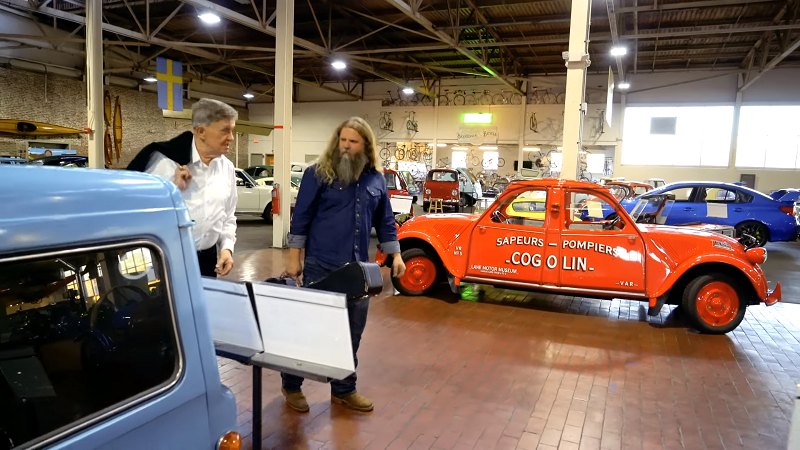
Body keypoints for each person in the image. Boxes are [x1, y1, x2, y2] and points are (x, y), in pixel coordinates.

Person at [282, 116, 406, 413]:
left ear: (365, 146)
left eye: (353, 141)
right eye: (343, 140)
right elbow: (302, 216)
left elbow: (386, 220)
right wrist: (294, 256)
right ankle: (291, 385)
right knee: (308, 331)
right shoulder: (318, 174)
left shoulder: (375, 178)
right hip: (320, 265)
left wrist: (396, 254)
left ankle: (343, 389)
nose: (346, 147)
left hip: (357, 271)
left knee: (351, 333)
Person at [127, 98, 238, 278]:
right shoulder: (164, 163)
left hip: (207, 262)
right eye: (225, 130)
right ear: (200, 131)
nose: (231, 138)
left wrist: (226, 249)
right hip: (166, 260)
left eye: (232, 130)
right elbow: (134, 210)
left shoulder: (227, 168)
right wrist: (172, 188)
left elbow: (228, 216)